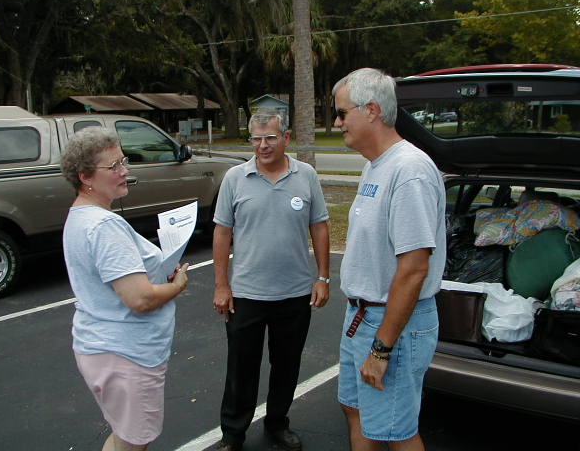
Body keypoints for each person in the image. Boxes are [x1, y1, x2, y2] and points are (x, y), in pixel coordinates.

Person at [333, 68, 446, 451]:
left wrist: (381, 349)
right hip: (361, 315)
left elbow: (414, 270)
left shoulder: (409, 171)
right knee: (355, 410)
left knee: (397, 431)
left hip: (392, 323)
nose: (337, 123)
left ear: (372, 110)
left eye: (342, 113)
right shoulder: (375, 165)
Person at [60, 127, 189, 451]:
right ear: (85, 176)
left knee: (123, 437)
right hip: (125, 355)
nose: (124, 171)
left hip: (101, 348)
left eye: (123, 161)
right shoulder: (104, 226)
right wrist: (177, 286)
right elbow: (140, 299)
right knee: (134, 443)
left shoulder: (80, 216)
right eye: (113, 165)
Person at [212, 110, 330, 451]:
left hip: (294, 294)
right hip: (246, 295)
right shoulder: (235, 178)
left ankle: (277, 423)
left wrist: (323, 276)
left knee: (286, 366)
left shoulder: (306, 175)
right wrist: (222, 285)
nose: (262, 145)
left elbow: (319, 225)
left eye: (270, 138)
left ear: (286, 138)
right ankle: (232, 434)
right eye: (256, 139)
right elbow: (222, 232)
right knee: (241, 369)